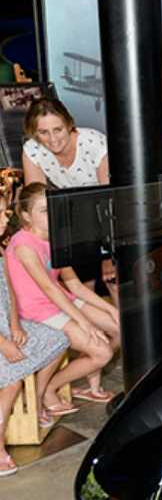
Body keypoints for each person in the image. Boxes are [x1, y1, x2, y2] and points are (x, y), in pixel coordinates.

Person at [6, 183, 117, 409]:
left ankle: (92, 386)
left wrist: (111, 309)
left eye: (53, 208)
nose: (52, 215)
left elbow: (73, 284)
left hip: (61, 301)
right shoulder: (23, 245)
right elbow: (50, 289)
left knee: (119, 325)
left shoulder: (55, 237)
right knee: (102, 352)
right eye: (43, 211)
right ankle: (48, 388)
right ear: (26, 215)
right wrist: (84, 323)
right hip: (37, 310)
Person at [21, 98, 117, 303]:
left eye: (58, 130)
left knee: (115, 280)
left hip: (106, 213)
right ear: (34, 132)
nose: (52, 139)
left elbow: (110, 202)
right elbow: (38, 203)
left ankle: (128, 331)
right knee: (81, 286)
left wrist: (109, 255)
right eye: (43, 132)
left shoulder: (94, 143)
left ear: (69, 124)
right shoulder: (33, 150)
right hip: (75, 217)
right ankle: (95, 332)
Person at [0, 192, 69, 477]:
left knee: (58, 338)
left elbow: (10, 294)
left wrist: (15, 326)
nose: (7, 217)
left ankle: (39, 394)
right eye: (1, 212)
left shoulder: (1, 250)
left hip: (5, 326)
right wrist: (4, 344)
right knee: (12, 381)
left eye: (5, 211)